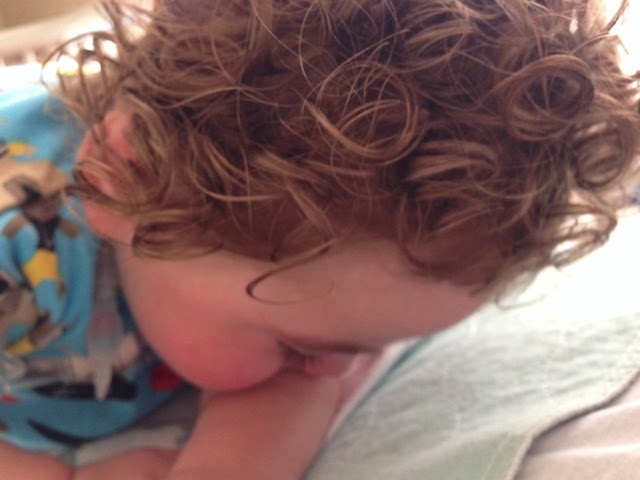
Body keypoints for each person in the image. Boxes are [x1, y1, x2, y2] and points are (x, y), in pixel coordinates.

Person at [1, 0, 639, 478]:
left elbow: (292, 393)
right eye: (299, 348)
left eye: (360, 348)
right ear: (124, 184)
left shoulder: (294, 301)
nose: (339, 371)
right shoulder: (16, 249)